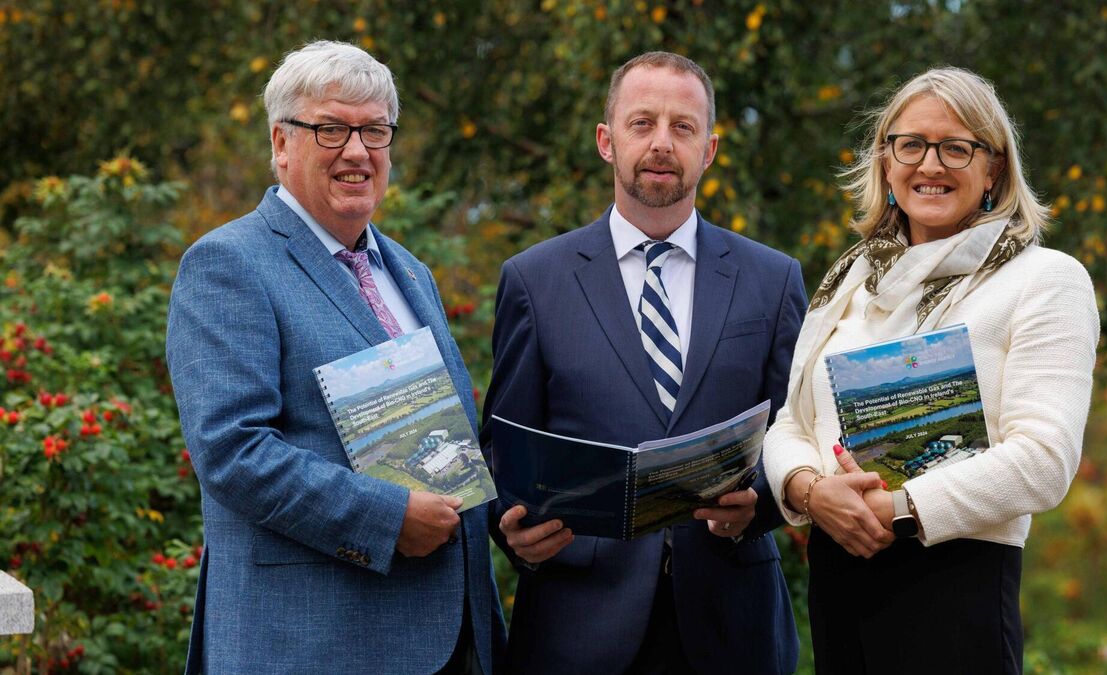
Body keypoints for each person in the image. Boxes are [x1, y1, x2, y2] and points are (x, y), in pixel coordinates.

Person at [166, 41, 503, 674]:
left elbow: (449, 444)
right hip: (313, 644)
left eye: (374, 130)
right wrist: (388, 518)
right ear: (280, 142)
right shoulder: (228, 265)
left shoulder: (409, 271)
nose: (356, 151)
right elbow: (233, 452)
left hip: (452, 640)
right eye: (331, 129)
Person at [762, 66, 1101, 674]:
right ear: (886, 161)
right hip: (839, 581)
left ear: (993, 169)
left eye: (956, 148)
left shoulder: (1045, 279)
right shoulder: (850, 281)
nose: (930, 165)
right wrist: (809, 490)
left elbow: (1045, 460)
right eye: (911, 145)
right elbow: (792, 421)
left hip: (956, 590)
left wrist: (896, 507)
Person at [482, 51, 806, 675]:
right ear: (607, 141)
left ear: (708, 151)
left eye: (683, 127)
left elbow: (798, 430)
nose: (662, 143)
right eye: (642, 123)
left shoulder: (772, 279)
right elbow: (503, 443)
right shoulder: (534, 280)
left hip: (732, 622)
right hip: (578, 625)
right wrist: (510, 528)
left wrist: (761, 502)